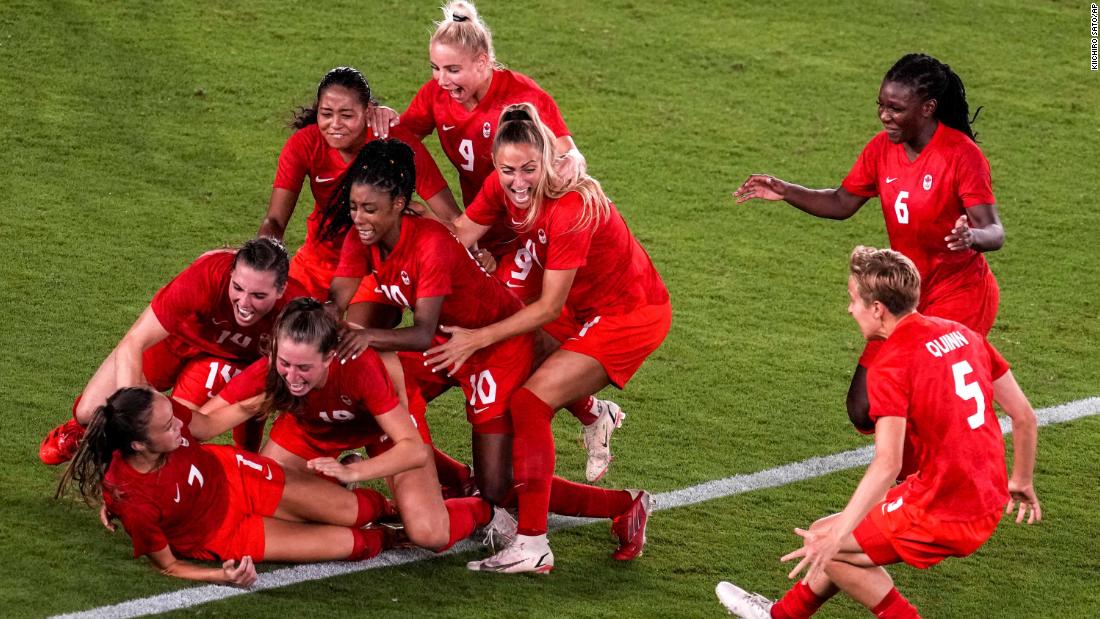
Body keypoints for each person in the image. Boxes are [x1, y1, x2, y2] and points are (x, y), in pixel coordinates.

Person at [328, 138, 650, 573]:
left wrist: (362, 337)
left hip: (491, 348)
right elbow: (337, 302)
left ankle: (623, 503)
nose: (359, 218)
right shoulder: (360, 237)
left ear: (398, 204)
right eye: (354, 207)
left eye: (369, 209)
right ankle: (457, 484)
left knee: (499, 485)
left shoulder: (429, 245)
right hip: (450, 345)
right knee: (375, 393)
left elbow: (421, 332)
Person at [716, 246, 1040, 619]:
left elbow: (888, 462)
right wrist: (1021, 480)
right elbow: (1024, 415)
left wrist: (837, 539)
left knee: (829, 543)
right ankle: (782, 616)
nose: (849, 309)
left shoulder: (891, 363)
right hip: (985, 494)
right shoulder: (964, 334)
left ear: (877, 309)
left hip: (945, 507)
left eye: (853, 299)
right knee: (827, 532)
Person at [429, 104, 671, 572]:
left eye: (528, 169)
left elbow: (547, 309)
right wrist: (407, 224)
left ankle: (533, 543)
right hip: (584, 306)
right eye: (506, 170)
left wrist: (474, 337)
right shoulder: (503, 187)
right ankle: (603, 442)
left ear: (545, 161)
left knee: (529, 404)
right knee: (520, 366)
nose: (517, 181)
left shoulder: (571, 208)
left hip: (628, 314)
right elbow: (459, 234)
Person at [733, 53, 1004, 472]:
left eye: (896, 108)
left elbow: (994, 231)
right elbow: (842, 202)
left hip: (958, 298)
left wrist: (972, 237)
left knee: (927, 400)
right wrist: (786, 190)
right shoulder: (882, 151)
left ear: (927, 107)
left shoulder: (960, 155)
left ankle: (926, 490)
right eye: (881, 104)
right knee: (863, 405)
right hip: (904, 297)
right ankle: (919, 481)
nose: (884, 115)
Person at [193, 297, 494, 553]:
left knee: (430, 533)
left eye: (303, 367)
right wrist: (155, 417)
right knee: (268, 506)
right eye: (284, 363)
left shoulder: (360, 366)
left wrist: (354, 470)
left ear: (329, 357)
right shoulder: (274, 369)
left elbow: (413, 450)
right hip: (311, 427)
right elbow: (205, 423)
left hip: (381, 426)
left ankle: (488, 509)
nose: (292, 376)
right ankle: (347, 494)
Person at [56, 387, 396, 586]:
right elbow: (168, 565)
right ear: (140, 445)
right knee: (358, 544)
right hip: (225, 534)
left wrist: (280, 393)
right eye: (168, 426)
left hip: (237, 476)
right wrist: (222, 575)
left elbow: (208, 422)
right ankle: (396, 536)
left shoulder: (153, 413)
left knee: (363, 510)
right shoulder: (134, 501)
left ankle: (396, 509)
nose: (180, 424)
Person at [39, 237, 308, 465]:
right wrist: (134, 418)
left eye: (258, 296)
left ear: (281, 289)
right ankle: (84, 430)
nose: (244, 303)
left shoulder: (296, 312)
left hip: (223, 358)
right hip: (177, 338)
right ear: (230, 274)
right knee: (88, 410)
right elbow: (134, 341)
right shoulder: (205, 275)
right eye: (237, 288)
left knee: (177, 435)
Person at [260, 66, 460, 299]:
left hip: (376, 264)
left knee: (359, 333)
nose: (335, 124)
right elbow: (274, 220)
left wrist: (474, 254)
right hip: (319, 258)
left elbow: (449, 215)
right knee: (288, 328)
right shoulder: (304, 144)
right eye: (326, 114)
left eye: (346, 115)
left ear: (368, 112)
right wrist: (260, 259)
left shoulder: (394, 142)